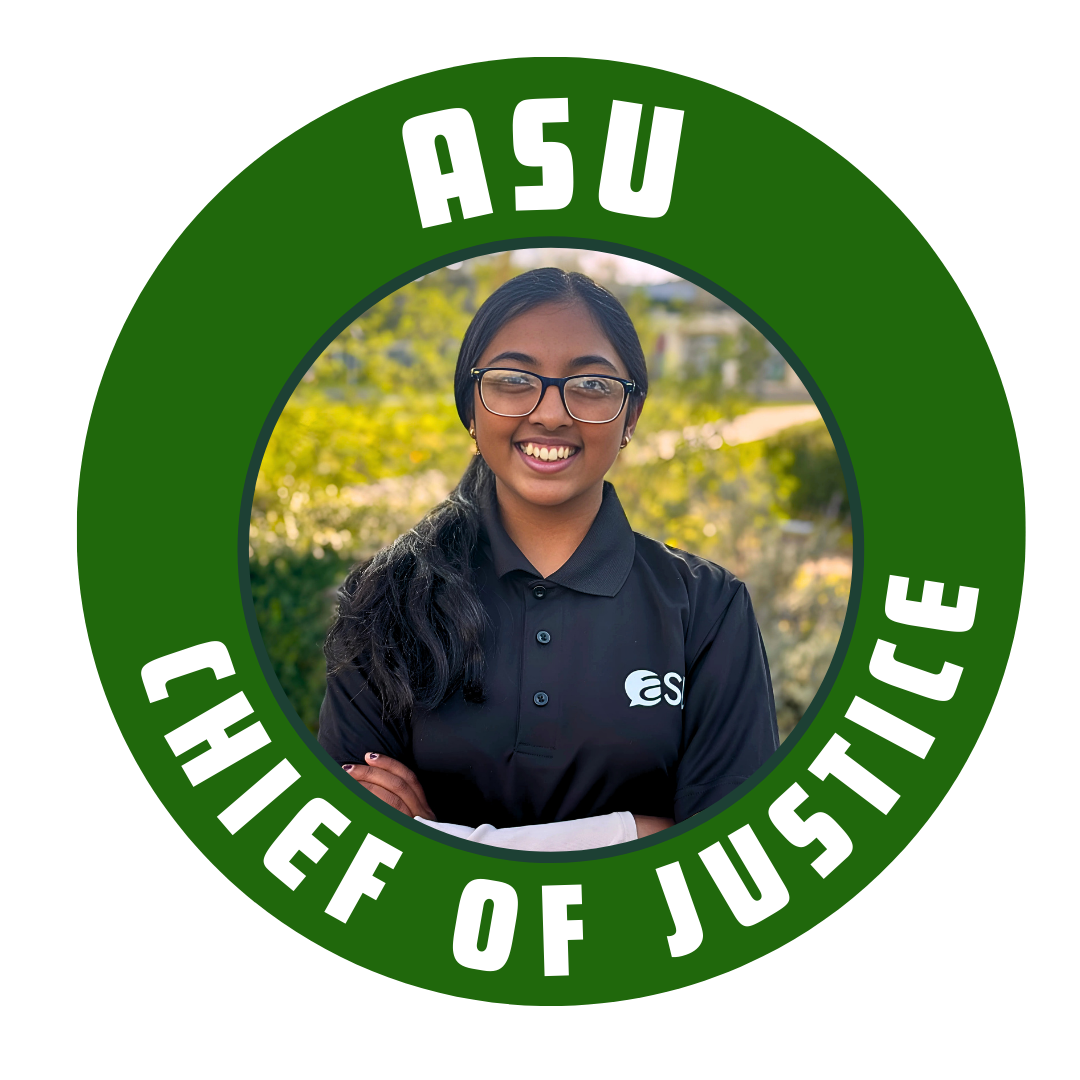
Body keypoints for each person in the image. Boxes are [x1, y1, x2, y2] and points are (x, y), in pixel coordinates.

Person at [318, 267, 778, 851]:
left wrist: (443, 838)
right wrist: (632, 831)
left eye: (591, 384)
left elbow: (725, 854)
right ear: (470, 406)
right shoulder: (384, 594)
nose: (551, 413)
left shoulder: (708, 609)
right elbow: (357, 847)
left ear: (630, 416)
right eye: (513, 380)